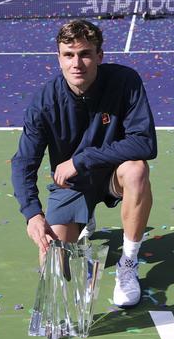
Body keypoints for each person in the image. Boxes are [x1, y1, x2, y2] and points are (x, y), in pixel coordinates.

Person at [11, 19, 157, 308]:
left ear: (100, 56)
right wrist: (32, 215)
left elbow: (145, 143)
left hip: (113, 174)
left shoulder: (125, 81)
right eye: (68, 55)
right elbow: (23, 162)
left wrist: (81, 159)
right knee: (52, 264)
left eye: (85, 53)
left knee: (137, 170)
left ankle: (128, 264)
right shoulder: (43, 102)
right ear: (59, 58)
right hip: (73, 186)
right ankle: (83, 215)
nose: (77, 63)